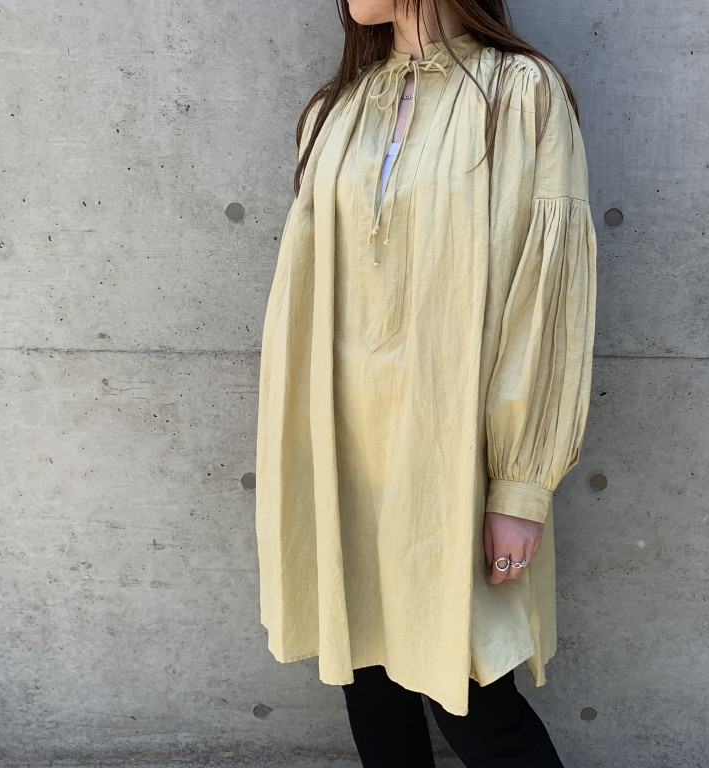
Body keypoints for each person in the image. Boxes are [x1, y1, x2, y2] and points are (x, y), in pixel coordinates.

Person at [254, 0, 597, 764]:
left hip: (448, 462)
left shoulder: (520, 94)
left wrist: (520, 486)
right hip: (340, 455)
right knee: (370, 691)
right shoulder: (338, 110)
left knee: (476, 704)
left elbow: (547, 299)